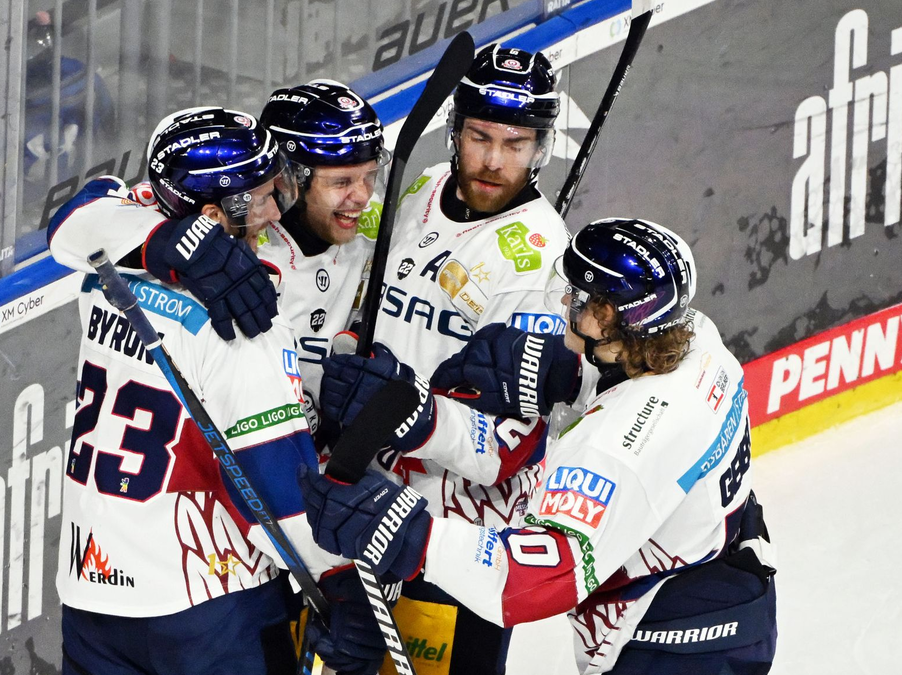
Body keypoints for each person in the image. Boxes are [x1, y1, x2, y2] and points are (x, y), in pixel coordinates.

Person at [299, 218, 778, 674]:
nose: (565, 300)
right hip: (729, 591)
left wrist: (413, 536)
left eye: (577, 295)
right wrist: (561, 372)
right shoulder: (699, 341)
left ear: (606, 316)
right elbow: (639, 386)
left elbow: (537, 580)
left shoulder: (614, 448)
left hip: (678, 642)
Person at [47, 107, 383, 675]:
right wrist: (342, 584)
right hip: (209, 606)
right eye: (259, 198)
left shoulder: (108, 267)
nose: (276, 210)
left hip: (91, 595)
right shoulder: (244, 325)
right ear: (208, 215)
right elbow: (278, 485)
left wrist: (171, 243)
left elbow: (80, 215)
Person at [316, 43, 570, 674]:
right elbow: (367, 312)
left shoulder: (539, 258)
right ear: (455, 131)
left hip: (457, 538)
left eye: (515, 144)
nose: (492, 161)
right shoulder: (424, 186)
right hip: (364, 500)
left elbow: (511, 446)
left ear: (541, 148)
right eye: (481, 137)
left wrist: (407, 414)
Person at [256, 79, 390, 436]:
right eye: (342, 182)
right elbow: (97, 213)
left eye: (370, 177)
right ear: (288, 179)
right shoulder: (239, 241)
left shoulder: (377, 226)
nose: (362, 196)